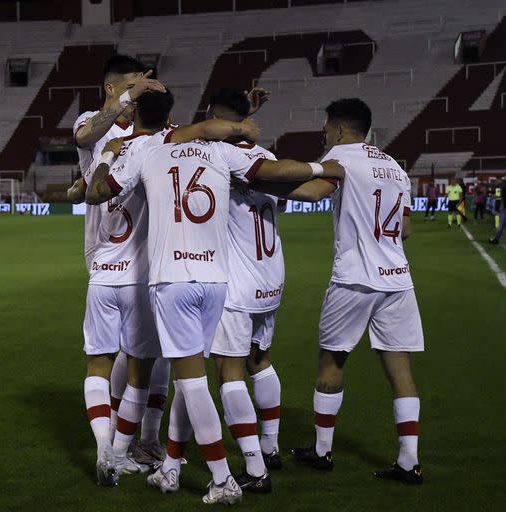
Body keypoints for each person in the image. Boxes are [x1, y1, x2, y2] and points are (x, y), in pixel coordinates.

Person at [86, 90, 345, 503]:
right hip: (218, 281)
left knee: (193, 383)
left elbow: (97, 192)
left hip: (173, 280)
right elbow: (275, 168)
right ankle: (171, 466)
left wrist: (104, 157)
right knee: (199, 380)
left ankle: (224, 478)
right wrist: (320, 165)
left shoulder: (146, 153)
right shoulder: (224, 155)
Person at [84, 89, 264, 486]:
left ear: (132, 111)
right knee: (152, 373)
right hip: (164, 273)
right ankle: (145, 449)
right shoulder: (169, 142)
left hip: (106, 272)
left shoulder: (121, 149)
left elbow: (93, 191)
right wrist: (243, 123)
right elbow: (210, 128)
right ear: (171, 119)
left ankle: (112, 449)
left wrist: (108, 153)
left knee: (103, 364)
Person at [280, 98, 425, 485]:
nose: (324, 134)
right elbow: (406, 229)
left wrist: (262, 187)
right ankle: (409, 461)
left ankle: (322, 451)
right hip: (397, 279)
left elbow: (311, 193)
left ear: (341, 129)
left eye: (326, 127)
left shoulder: (341, 159)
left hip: (355, 279)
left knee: (332, 362)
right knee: (400, 370)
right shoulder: (394, 166)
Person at [69, 55, 171, 485]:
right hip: (112, 254)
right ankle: (122, 446)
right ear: (113, 89)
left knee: (125, 356)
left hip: (119, 263)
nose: (137, 97)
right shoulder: (96, 121)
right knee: (138, 361)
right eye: (132, 88)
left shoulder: (141, 133)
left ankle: (119, 446)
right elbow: (86, 134)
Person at [201, 88, 286, 495]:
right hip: (271, 275)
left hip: (237, 283)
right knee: (260, 360)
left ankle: (255, 469)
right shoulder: (268, 158)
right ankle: (270, 447)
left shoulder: (218, 159)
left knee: (227, 371)